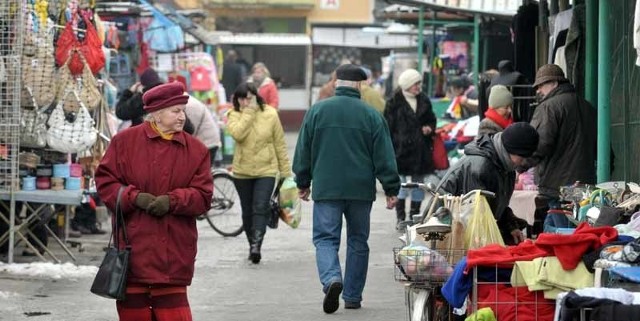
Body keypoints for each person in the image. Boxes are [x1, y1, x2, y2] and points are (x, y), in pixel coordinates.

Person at [95, 82, 213, 321]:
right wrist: (134, 197)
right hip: (133, 251)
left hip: (174, 252)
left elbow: (203, 196)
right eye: (176, 111)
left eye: (183, 110)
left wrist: (172, 201)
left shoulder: (197, 150)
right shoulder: (124, 142)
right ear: (157, 114)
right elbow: (106, 183)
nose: (182, 117)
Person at [292, 64, 400, 313]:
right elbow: (384, 156)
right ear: (360, 85)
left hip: (327, 189)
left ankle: (332, 279)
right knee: (358, 241)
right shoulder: (372, 115)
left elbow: (303, 152)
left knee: (325, 239)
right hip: (361, 191)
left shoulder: (317, 111)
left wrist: (303, 182)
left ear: (335, 83)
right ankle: (352, 296)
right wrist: (391, 188)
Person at [523, 64, 597, 234]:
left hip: (558, 185)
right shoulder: (587, 107)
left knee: (563, 234)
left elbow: (538, 144)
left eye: (542, 85)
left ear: (555, 83)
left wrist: (519, 164)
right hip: (584, 184)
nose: (539, 90)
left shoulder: (548, 107)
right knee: (569, 228)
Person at [438, 123, 538, 245]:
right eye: (522, 157)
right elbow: (475, 214)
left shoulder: (506, 167)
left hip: (468, 228)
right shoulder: (481, 166)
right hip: (446, 232)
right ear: (511, 150)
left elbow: (496, 206)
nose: (523, 162)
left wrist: (511, 227)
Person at [226, 82, 291, 264]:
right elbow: (238, 134)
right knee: (247, 211)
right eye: (242, 98)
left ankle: (256, 245)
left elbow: (279, 144)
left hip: (266, 170)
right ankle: (251, 243)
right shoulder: (233, 115)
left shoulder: (270, 114)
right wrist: (249, 112)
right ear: (237, 100)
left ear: (256, 96)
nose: (246, 101)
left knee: (261, 207)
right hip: (242, 172)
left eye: (249, 97)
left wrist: (285, 172)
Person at [384, 68, 437, 229]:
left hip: (419, 151)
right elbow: (386, 127)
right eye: (415, 83)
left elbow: (431, 120)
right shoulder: (393, 102)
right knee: (399, 185)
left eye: (419, 83)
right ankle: (400, 218)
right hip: (399, 151)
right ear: (407, 85)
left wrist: (429, 128)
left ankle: (415, 217)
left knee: (418, 185)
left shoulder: (424, 100)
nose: (418, 86)